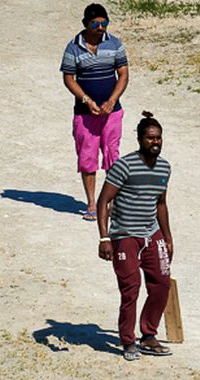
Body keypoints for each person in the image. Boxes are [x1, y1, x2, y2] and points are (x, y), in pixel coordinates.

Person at [96, 112, 173, 362]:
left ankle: (149, 335)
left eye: (159, 138)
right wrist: (104, 238)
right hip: (125, 235)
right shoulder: (124, 166)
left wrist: (168, 238)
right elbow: (104, 201)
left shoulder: (164, 167)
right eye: (151, 138)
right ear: (140, 139)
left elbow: (161, 203)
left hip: (152, 233)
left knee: (161, 284)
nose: (156, 142)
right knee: (131, 289)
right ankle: (128, 341)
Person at [61, 3, 129, 221]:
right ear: (85, 24)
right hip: (85, 114)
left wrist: (112, 100)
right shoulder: (73, 48)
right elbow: (69, 78)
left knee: (112, 157)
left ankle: (111, 203)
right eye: (95, 23)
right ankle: (92, 204)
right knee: (87, 158)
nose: (101, 27)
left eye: (104, 23)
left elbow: (124, 75)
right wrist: (86, 100)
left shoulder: (115, 44)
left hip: (112, 112)